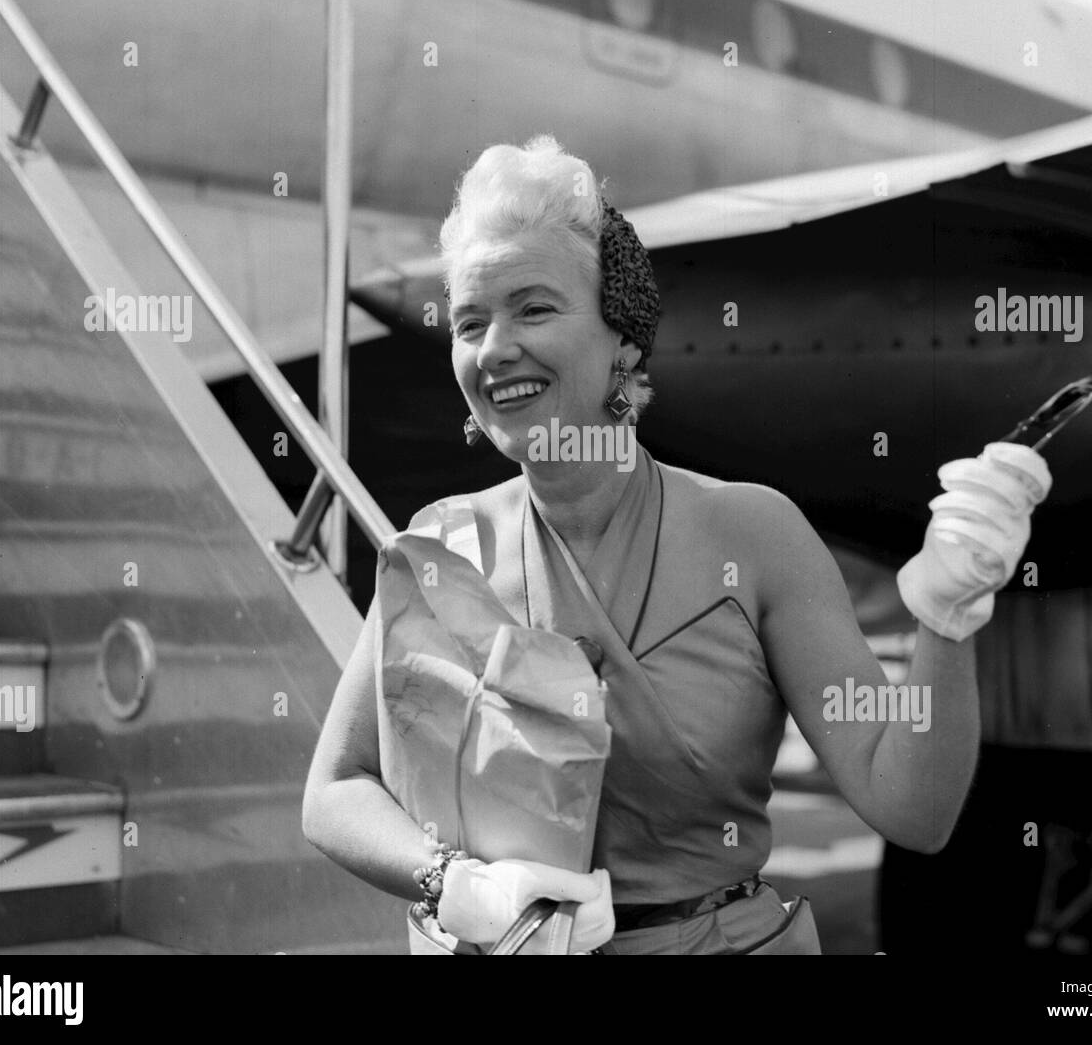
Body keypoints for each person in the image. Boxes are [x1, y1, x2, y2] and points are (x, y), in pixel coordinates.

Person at [301, 135, 1052, 954]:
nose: (494, 349)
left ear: (623, 336)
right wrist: (455, 884)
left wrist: (947, 618)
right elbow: (335, 789)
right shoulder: (439, 547)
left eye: (535, 307)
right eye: (470, 321)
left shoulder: (755, 534)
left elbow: (914, 806)